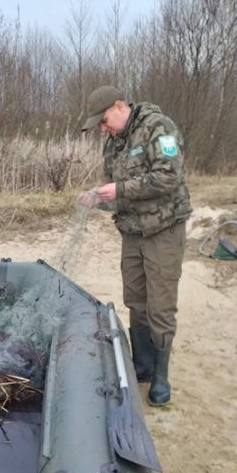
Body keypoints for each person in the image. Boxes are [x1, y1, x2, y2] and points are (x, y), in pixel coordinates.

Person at [79, 85, 191, 406]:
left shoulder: (159, 127)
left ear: (119, 106)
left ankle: (160, 377)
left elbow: (169, 177)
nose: (103, 129)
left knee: (160, 305)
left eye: (103, 121)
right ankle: (142, 365)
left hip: (163, 230)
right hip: (132, 232)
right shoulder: (114, 144)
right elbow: (118, 193)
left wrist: (120, 190)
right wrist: (99, 198)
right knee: (135, 299)